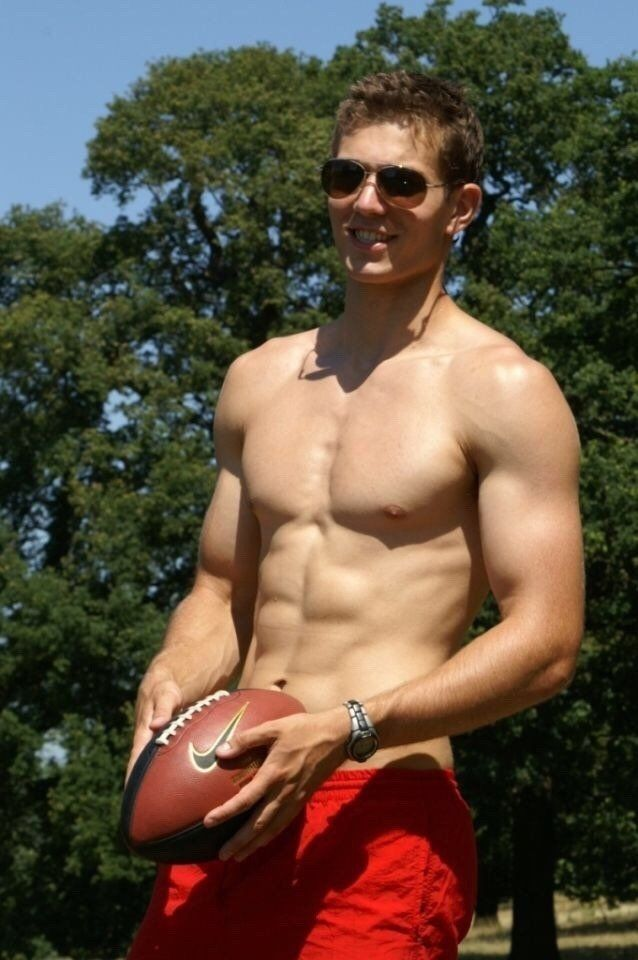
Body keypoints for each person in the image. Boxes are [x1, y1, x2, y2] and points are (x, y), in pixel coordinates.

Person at [126, 71, 584, 960]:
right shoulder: (257, 380)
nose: (366, 203)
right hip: (225, 805)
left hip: (379, 811)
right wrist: (173, 675)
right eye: (346, 177)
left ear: (461, 208)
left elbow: (546, 642)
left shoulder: (502, 389)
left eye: (401, 182)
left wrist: (348, 726)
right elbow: (220, 593)